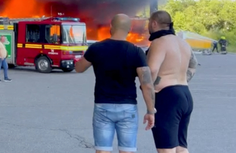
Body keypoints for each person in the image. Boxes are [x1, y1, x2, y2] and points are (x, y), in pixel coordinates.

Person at [75, 14, 156, 153]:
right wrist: (150, 111)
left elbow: (79, 68)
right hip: (128, 107)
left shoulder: (96, 48)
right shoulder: (136, 51)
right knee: (127, 150)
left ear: (111, 27)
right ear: (129, 29)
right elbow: (147, 84)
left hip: (103, 106)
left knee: (102, 150)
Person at [146, 10, 196, 153]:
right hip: (185, 94)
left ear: (154, 23)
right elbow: (193, 65)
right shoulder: (183, 43)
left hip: (167, 97)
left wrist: (151, 88)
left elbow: (152, 70)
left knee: (166, 149)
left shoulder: (159, 43)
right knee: (181, 147)